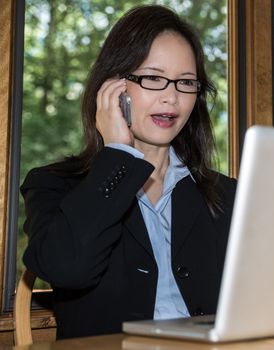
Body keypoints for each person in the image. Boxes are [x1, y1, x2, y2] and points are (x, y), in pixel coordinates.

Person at [20, 5, 236, 339]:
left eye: (186, 82)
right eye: (153, 78)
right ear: (113, 88)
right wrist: (119, 154)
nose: (172, 97)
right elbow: (67, 268)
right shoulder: (53, 184)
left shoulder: (229, 196)